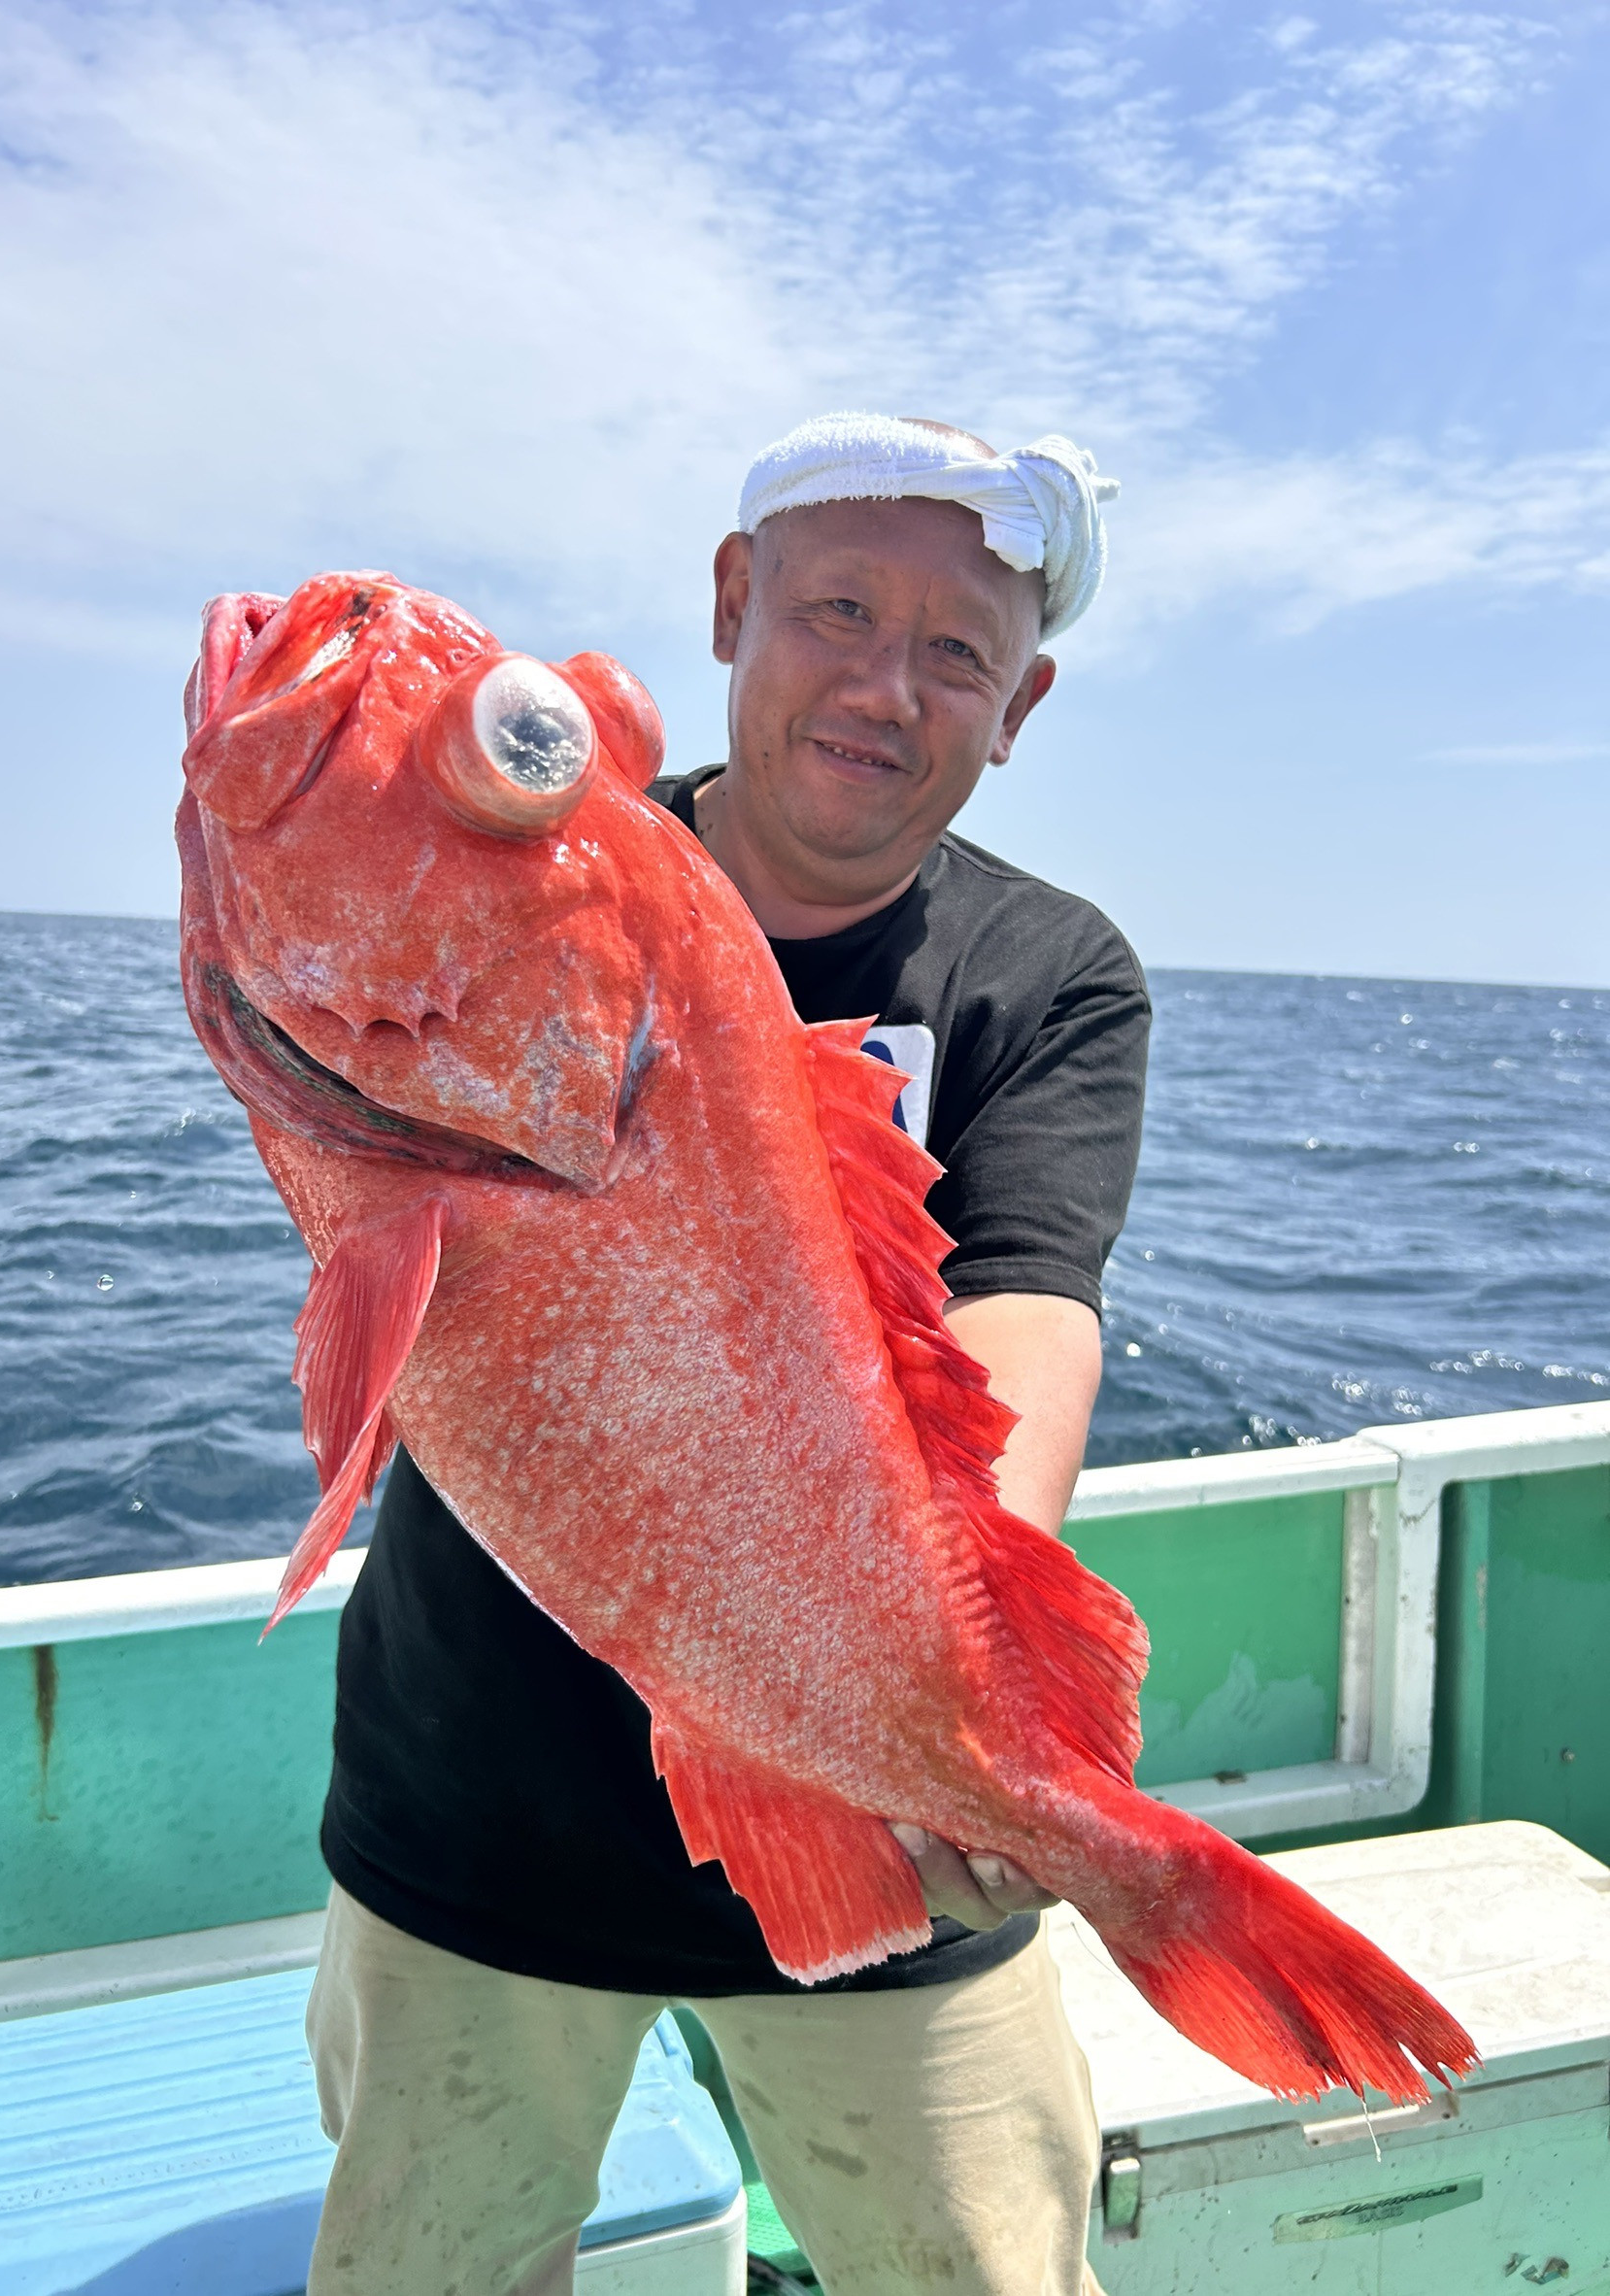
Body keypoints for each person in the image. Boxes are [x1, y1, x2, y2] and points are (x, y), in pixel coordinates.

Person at [304, 413, 1150, 2296]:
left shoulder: (1047, 973)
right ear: (729, 605)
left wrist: (956, 1709)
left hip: (882, 1839)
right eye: (836, 610)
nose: (882, 686)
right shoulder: (530, 881)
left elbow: (1026, 1302)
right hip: (480, 1807)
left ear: (1018, 707)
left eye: (955, 650)